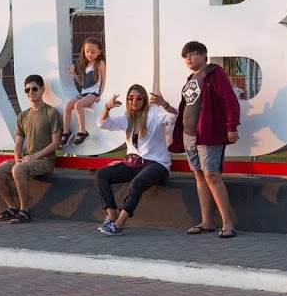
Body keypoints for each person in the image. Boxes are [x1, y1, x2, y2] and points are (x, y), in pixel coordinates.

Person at [172, 41, 241, 238]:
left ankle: (228, 222)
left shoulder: (214, 74)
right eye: (186, 56)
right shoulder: (190, 79)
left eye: (193, 54)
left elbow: (230, 100)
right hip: (189, 136)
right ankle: (207, 221)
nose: (189, 58)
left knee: (212, 175)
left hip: (208, 134)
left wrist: (231, 126)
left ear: (204, 56)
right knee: (199, 176)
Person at [94, 84, 177, 235]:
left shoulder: (154, 112)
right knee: (101, 174)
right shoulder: (127, 117)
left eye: (138, 97)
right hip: (133, 163)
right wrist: (107, 107)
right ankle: (112, 218)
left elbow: (173, 117)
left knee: (137, 182)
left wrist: (164, 104)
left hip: (157, 164)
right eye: (130, 98)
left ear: (144, 99)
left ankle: (119, 225)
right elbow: (103, 124)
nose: (134, 101)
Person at [0, 74, 62, 224]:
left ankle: (25, 211)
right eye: (27, 89)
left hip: (44, 161)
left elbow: (56, 143)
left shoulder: (51, 113)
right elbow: (18, 144)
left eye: (34, 88)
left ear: (42, 90)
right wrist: (17, 159)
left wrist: (35, 157)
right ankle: (12, 208)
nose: (30, 92)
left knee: (18, 170)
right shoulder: (23, 116)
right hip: (26, 160)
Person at [61, 37, 106, 147]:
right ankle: (66, 132)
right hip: (84, 93)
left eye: (93, 52)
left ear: (99, 52)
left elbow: (104, 80)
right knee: (68, 106)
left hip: (94, 93)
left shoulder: (100, 63)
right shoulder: (85, 65)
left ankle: (83, 132)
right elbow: (83, 84)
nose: (89, 54)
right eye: (87, 51)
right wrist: (73, 73)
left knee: (78, 105)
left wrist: (101, 94)